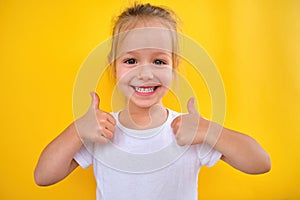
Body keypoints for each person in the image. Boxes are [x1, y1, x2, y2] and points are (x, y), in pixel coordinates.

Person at [34, 3, 271, 200]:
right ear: (114, 66)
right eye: (130, 61)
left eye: (158, 61)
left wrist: (210, 130)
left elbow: (261, 163)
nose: (145, 74)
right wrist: (76, 130)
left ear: (174, 65)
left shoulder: (190, 130)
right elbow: (43, 177)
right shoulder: (101, 129)